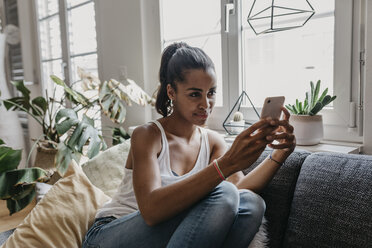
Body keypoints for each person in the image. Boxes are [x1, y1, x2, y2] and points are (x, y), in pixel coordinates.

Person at [83, 42, 296, 248]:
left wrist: (280, 154)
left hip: (167, 238)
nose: (206, 104)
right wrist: (226, 164)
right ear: (171, 92)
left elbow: (239, 190)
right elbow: (151, 211)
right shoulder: (148, 135)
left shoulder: (212, 142)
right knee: (225, 193)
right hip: (110, 236)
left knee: (252, 203)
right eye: (195, 94)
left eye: (211, 92)